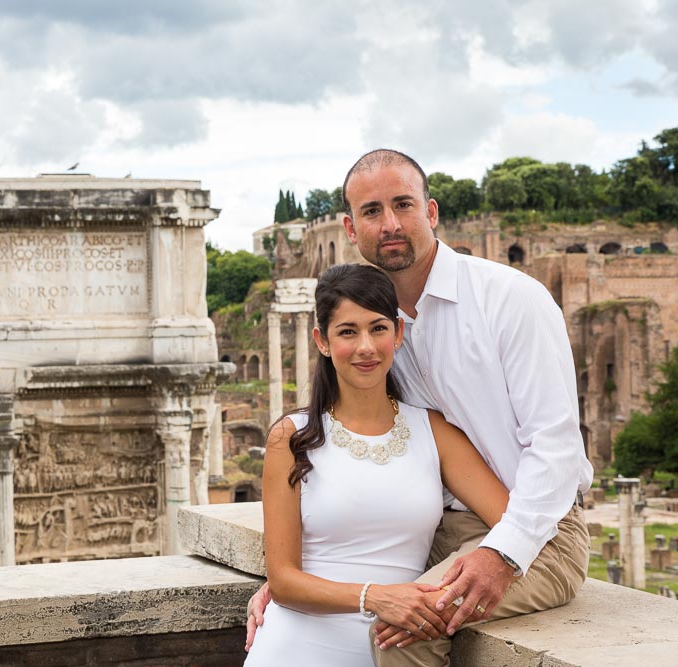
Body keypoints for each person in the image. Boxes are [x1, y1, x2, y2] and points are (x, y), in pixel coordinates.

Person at [246, 150, 593, 666]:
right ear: (350, 227)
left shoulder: (511, 300)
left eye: (403, 205)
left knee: (409, 624)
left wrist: (502, 554)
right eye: (371, 211)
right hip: (437, 532)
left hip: (538, 527)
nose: (389, 224)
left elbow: (557, 448)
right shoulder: (378, 321)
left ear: (431, 213)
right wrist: (297, 584)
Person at [244, 264, 509, 667]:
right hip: (295, 649)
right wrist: (376, 596)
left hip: (391, 652)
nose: (366, 346)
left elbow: (511, 523)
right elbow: (282, 580)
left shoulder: (434, 432)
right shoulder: (291, 437)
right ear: (323, 341)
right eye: (348, 332)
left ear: (398, 334)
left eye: (378, 328)